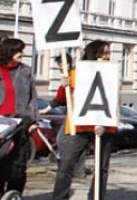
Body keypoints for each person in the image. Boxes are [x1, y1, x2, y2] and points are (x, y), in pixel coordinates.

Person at [53, 40, 116, 200]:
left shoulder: (112, 73)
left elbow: (112, 100)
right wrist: (63, 85)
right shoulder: (76, 73)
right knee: (66, 164)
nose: (108, 57)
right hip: (79, 127)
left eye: (109, 53)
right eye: (105, 53)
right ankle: (59, 197)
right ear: (95, 54)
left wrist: (104, 121)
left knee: (101, 167)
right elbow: (61, 99)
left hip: (104, 127)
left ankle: (96, 197)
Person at [0, 38, 38, 195]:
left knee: (18, 165)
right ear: (9, 52)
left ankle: (14, 194)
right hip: (1, 122)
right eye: (18, 51)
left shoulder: (25, 71)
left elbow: (32, 97)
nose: (22, 54)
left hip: (20, 122)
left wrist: (33, 120)